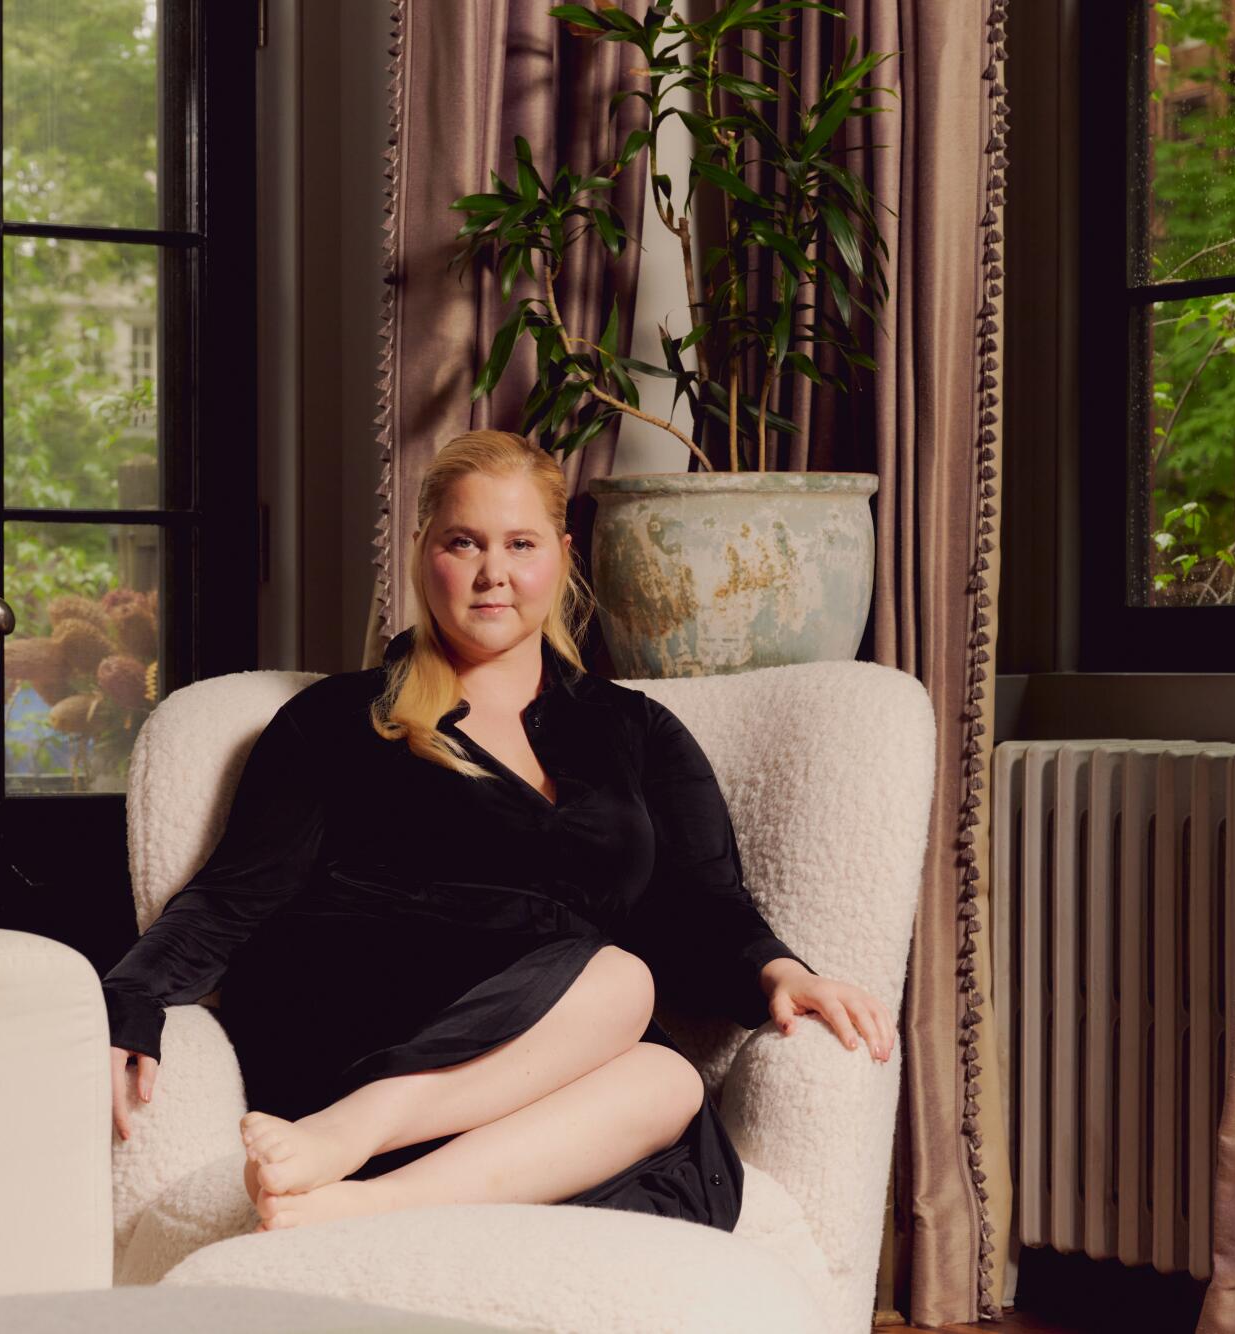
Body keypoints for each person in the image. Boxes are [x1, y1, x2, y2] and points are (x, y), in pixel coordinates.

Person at [102, 429, 894, 1236]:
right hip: (358, 1022)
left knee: (668, 1082)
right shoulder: (336, 720)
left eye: (521, 543)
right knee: (622, 985)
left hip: (538, 1067)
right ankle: (354, 1127)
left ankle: (363, 1203)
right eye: (464, 542)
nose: (494, 573)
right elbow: (233, 895)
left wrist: (779, 971)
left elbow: (703, 904)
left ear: (562, 554)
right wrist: (129, 995)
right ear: (422, 552)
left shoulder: (635, 731)